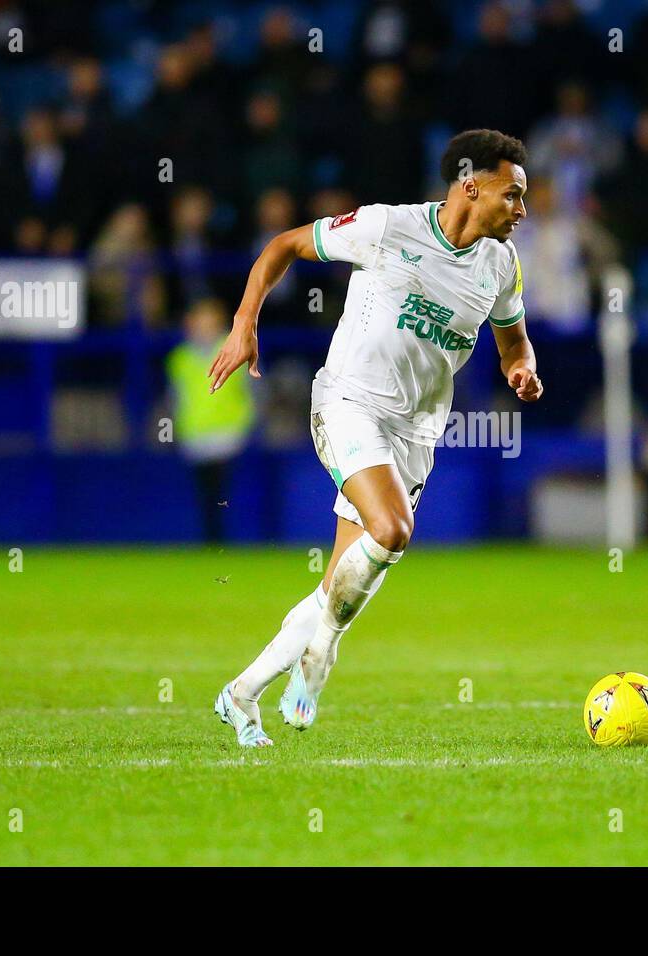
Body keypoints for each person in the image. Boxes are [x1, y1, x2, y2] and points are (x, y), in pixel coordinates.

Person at [207, 129, 541, 746]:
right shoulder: (389, 228)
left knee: (339, 583)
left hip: (416, 433)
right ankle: (322, 654)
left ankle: (241, 694)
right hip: (348, 403)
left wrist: (522, 368)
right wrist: (243, 324)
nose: (522, 209)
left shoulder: (502, 266)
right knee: (392, 532)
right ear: (471, 186)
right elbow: (283, 245)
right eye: (512, 194)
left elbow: (512, 340)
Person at [165, 299, 255, 544]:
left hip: (229, 438)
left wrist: (246, 424)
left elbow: (253, 390)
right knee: (206, 498)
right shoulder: (180, 358)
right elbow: (176, 398)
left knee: (226, 497)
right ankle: (211, 544)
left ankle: (230, 544)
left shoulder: (234, 348)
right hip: (195, 439)